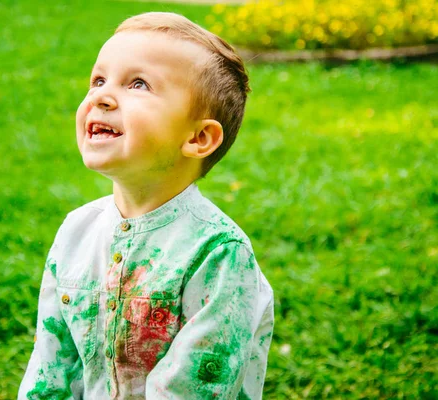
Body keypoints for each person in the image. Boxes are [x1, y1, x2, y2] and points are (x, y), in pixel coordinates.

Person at [18, 11, 274, 400]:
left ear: (199, 137)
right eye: (99, 80)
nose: (101, 96)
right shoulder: (76, 232)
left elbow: (193, 391)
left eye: (138, 84)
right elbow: (50, 368)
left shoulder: (218, 254)